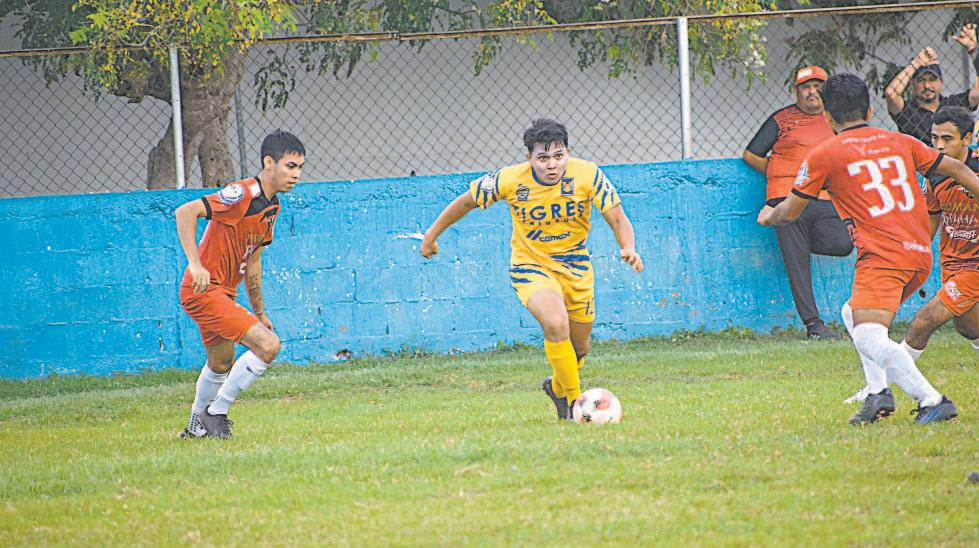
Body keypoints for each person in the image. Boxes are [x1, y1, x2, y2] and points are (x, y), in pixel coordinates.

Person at [757, 74, 979, 425]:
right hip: (917, 252)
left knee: (868, 334)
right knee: (852, 312)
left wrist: (769, 215)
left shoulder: (824, 154)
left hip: (882, 255)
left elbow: (790, 212)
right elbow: (953, 167)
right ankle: (878, 393)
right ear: (870, 110)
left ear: (827, 117)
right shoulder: (901, 141)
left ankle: (932, 400)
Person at [420, 119, 643, 420]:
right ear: (530, 158)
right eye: (543, 157)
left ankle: (557, 388)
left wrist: (629, 247)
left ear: (568, 153)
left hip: (576, 267)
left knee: (579, 350)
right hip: (531, 266)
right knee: (555, 323)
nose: (552, 164)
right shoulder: (510, 179)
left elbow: (616, 217)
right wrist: (431, 236)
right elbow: (466, 202)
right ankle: (576, 406)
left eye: (558, 156)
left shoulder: (588, 174)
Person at [175, 130, 305, 439]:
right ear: (269, 163)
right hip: (204, 291)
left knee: (221, 363)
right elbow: (186, 212)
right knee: (268, 345)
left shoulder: (272, 207)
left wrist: (259, 312)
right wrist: (195, 264)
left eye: (300, 168)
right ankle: (215, 413)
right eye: (290, 166)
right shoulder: (242, 194)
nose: (296, 175)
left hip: (223, 293)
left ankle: (195, 428)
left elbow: (254, 260)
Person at [845, 106, 979, 404]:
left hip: (975, 267)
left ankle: (878, 389)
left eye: (947, 138)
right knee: (967, 325)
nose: (939, 146)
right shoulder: (934, 176)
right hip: (952, 263)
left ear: (967, 138)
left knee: (922, 322)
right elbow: (928, 225)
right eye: (934, 138)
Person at [744, 65, 853, 339]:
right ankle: (814, 325)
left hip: (825, 198)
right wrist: (779, 172)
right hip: (786, 197)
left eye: (818, 86)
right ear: (797, 92)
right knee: (797, 263)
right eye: (806, 87)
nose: (812, 92)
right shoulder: (781, 119)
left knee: (843, 243)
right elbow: (751, 154)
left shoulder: (836, 120)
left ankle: (797, 243)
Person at [884, 24, 979, 143]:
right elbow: (891, 93)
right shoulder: (908, 112)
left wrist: (974, 51)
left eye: (932, 79)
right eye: (921, 80)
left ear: (941, 82)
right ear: (913, 84)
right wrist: (916, 63)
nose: (927, 86)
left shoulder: (954, 104)